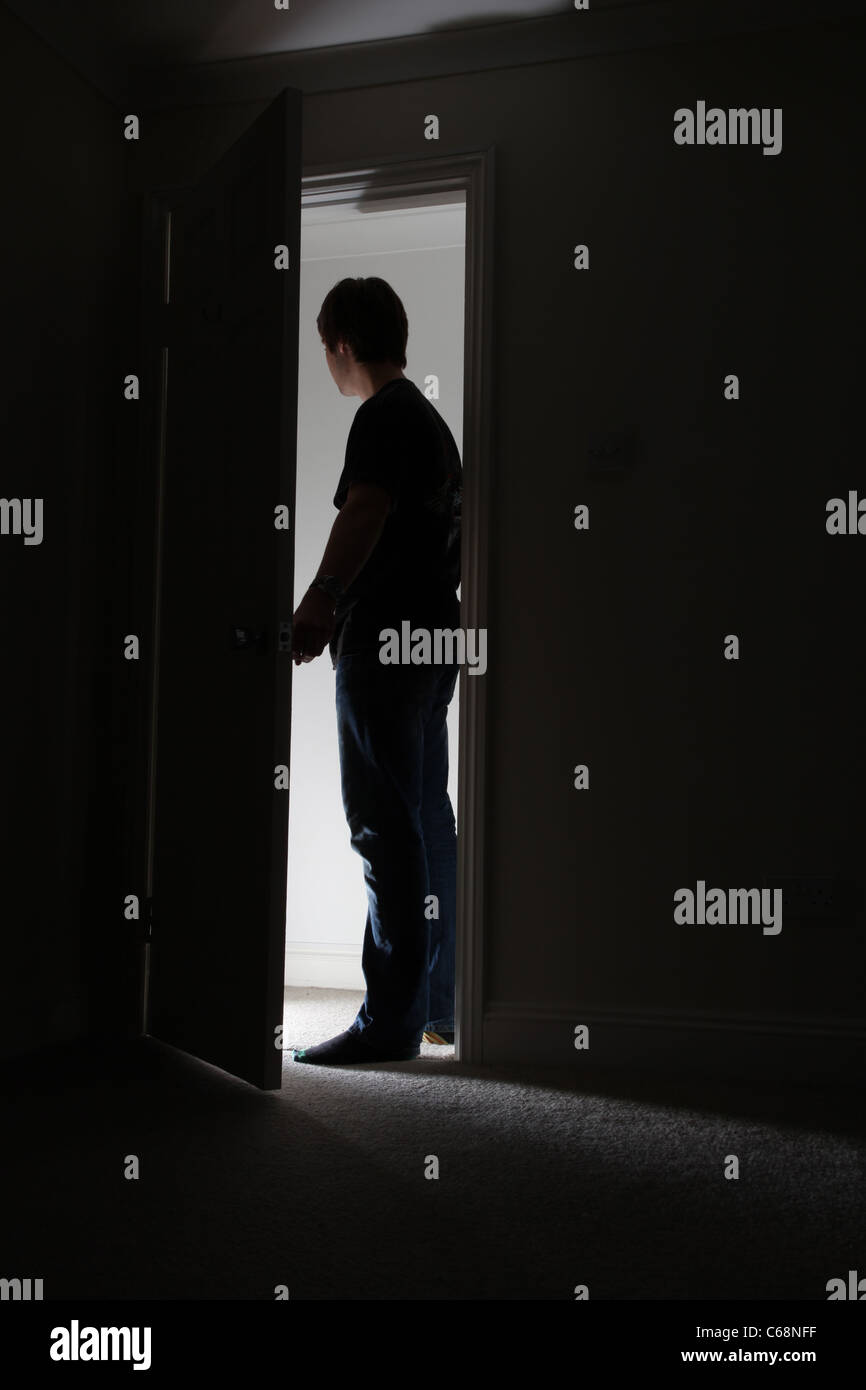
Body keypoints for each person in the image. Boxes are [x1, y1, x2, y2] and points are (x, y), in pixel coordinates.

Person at [290, 276, 462, 1066]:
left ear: (342, 346)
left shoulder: (381, 416)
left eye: (326, 349)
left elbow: (365, 510)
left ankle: (388, 1023)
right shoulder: (431, 425)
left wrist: (321, 599)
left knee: (383, 827)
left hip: (383, 643)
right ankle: (439, 1006)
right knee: (426, 819)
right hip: (433, 640)